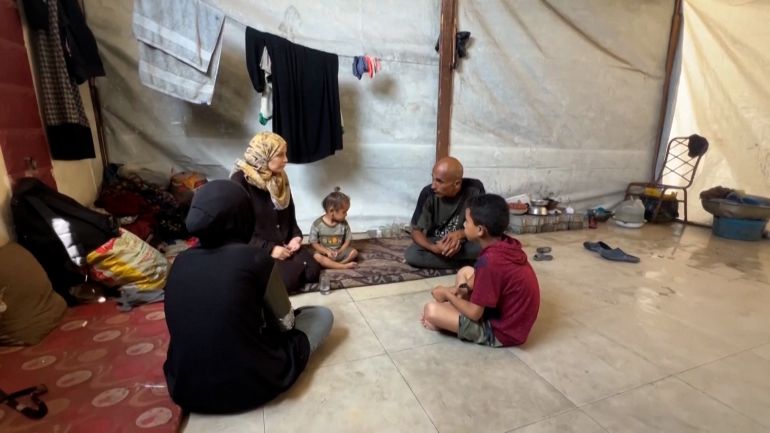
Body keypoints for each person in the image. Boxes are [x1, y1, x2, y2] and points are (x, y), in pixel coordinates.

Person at [164, 180, 334, 413]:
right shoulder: (254, 258)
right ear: (242, 214)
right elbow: (286, 323)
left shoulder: (179, 261)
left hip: (187, 389)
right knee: (321, 315)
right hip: (253, 385)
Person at [421, 194, 540, 347]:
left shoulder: (490, 262)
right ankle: (451, 318)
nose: (463, 225)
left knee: (431, 311)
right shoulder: (503, 243)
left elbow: (475, 314)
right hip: (508, 319)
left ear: (480, 230)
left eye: (467, 222)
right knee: (465, 271)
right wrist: (458, 290)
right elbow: (477, 277)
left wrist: (447, 295)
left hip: (502, 332)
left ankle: (448, 326)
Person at [231, 131, 321, 293]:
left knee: (312, 271)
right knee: (287, 282)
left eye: (285, 154)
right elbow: (237, 229)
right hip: (257, 247)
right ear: (263, 155)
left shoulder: (280, 177)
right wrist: (270, 249)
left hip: (284, 242)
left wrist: (295, 236)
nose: (286, 160)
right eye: (280, 155)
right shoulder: (240, 181)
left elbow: (290, 212)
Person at [405, 156, 484, 269]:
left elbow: (483, 225)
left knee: (489, 245)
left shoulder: (474, 189)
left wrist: (461, 234)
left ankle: (459, 261)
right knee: (412, 254)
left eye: (439, 181)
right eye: (433, 179)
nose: (433, 185)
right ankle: (470, 263)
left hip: (466, 241)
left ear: (457, 184)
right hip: (438, 241)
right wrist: (434, 248)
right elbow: (416, 232)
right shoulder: (428, 193)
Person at [309, 187, 359, 270]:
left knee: (354, 253)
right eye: (344, 212)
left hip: (339, 252)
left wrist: (340, 251)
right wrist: (326, 251)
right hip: (325, 254)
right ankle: (343, 266)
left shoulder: (344, 224)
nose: (346, 214)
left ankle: (333, 265)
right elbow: (314, 243)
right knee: (316, 256)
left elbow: (347, 240)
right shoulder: (317, 224)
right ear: (332, 211)